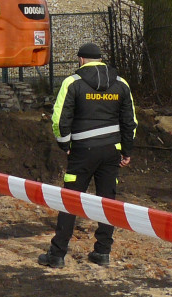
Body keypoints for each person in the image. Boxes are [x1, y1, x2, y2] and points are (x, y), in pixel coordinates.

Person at [38, 42, 136, 268]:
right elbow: (130, 122)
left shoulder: (72, 83)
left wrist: (65, 145)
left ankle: (57, 254)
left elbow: (59, 119)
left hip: (81, 152)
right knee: (107, 201)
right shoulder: (121, 84)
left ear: (81, 60)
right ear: (100, 59)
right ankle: (102, 252)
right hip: (111, 152)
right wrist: (126, 151)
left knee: (70, 200)